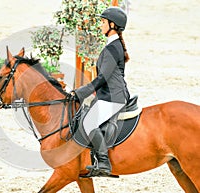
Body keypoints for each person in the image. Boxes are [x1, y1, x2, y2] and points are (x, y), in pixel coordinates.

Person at [73, 7, 130, 177]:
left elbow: (102, 78)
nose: (101, 25)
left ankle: (103, 162)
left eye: (103, 22)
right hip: (108, 94)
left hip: (113, 97)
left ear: (112, 25)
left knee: (89, 123)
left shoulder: (113, 48)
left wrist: (81, 92)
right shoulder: (113, 45)